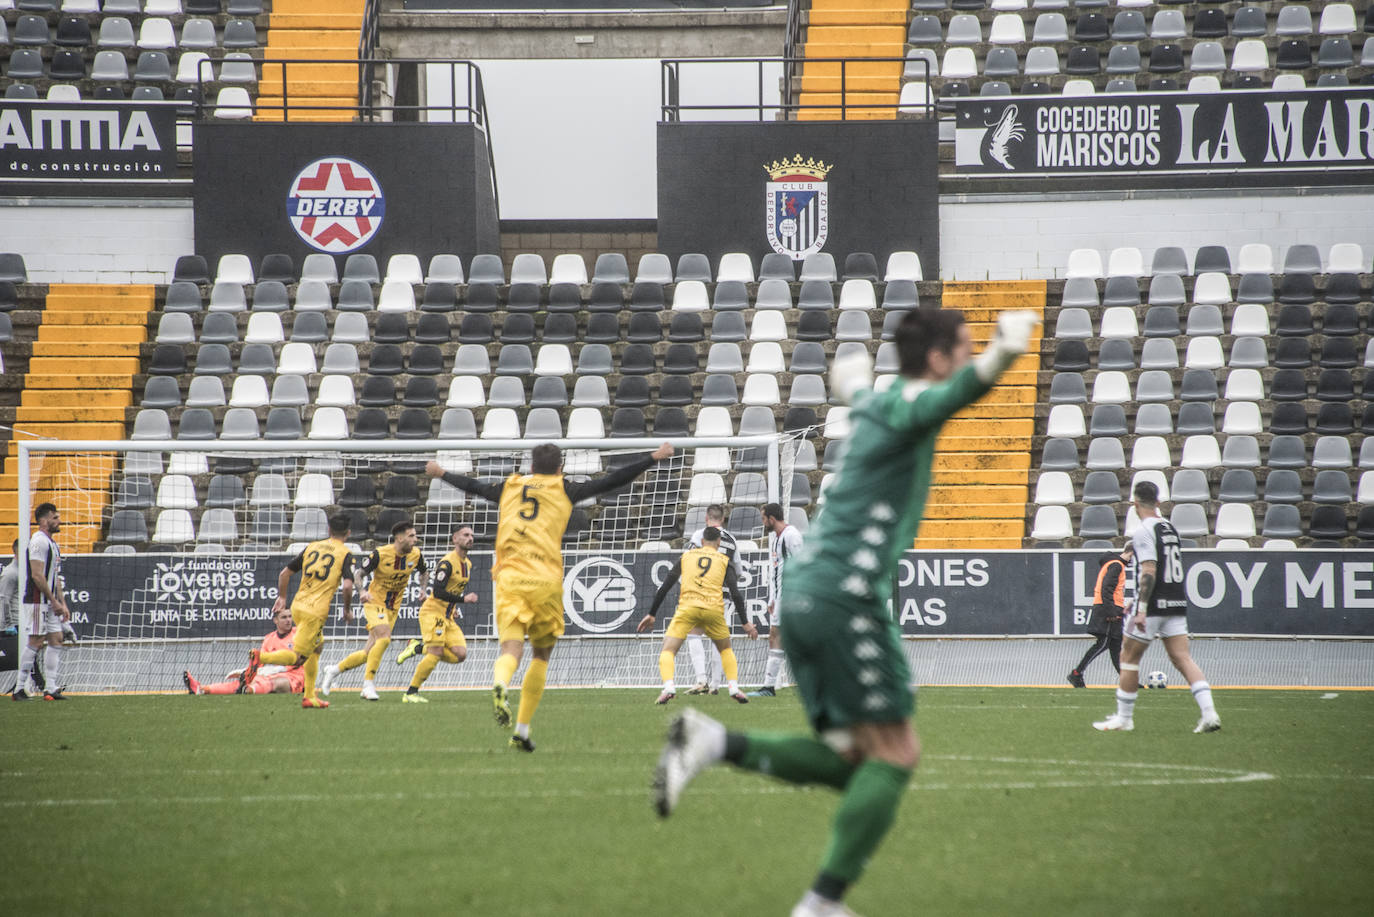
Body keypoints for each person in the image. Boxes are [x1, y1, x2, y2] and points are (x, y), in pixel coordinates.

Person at [653, 307, 1039, 917]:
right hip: (844, 596)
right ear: (938, 359)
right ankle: (821, 905)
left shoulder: (879, 406)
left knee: (853, 758)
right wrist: (1000, 358)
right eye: (963, 349)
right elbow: (935, 402)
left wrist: (853, 380)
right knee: (896, 752)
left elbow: (867, 396)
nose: (967, 357)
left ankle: (714, 742)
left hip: (811, 592)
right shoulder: (908, 407)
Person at [426, 440, 675, 752]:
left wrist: (441, 472)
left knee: (510, 649)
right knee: (541, 656)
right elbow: (613, 481)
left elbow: (473, 486)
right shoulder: (565, 488)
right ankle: (522, 729)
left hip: (508, 577)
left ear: (530, 467)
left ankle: (501, 683)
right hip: (545, 580)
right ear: (560, 469)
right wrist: (653, 457)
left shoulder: (511, 485)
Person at [1093, 481, 1221, 734]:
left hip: (1153, 605)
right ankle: (1209, 713)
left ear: (1134, 504)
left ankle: (1124, 718)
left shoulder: (1143, 531)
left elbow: (1149, 570)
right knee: (1183, 658)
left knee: (1128, 658)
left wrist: (1141, 607)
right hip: (1176, 600)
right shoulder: (1169, 527)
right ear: (1159, 503)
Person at [636, 525, 757, 704]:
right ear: (718, 542)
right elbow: (736, 593)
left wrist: (652, 613)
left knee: (668, 649)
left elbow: (666, 585)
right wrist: (745, 622)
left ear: (701, 542)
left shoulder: (686, 556)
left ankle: (669, 686)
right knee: (725, 649)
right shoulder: (725, 560)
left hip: (688, 608)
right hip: (713, 610)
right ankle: (733, 687)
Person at [249, 513, 355, 709]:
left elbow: (284, 573)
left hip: (298, 605)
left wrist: (282, 597)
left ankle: (309, 696)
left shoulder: (312, 546)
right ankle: (260, 657)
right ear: (348, 533)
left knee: (317, 646)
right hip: (316, 612)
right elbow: (348, 586)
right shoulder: (345, 553)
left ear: (329, 530)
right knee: (298, 658)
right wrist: (347, 610)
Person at [319, 519, 426, 701]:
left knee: (368, 653)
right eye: (411, 536)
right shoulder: (380, 554)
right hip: (374, 603)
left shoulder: (416, 555)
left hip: (393, 608)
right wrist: (362, 591)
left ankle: (334, 670)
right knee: (384, 639)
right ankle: (368, 685)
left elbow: (424, 571)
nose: (415, 539)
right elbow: (358, 573)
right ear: (399, 538)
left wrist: (423, 588)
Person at [394, 525, 480, 703]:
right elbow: (439, 592)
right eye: (465, 535)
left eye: (472, 535)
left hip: (447, 616)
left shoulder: (468, 564)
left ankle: (418, 647)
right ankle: (410, 693)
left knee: (460, 655)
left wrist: (454, 608)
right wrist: (464, 600)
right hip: (432, 613)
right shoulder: (447, 563)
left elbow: (452, 590)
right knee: (435, 652)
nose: (470, 538)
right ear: (455, 539)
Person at [13, 503, 70, 701]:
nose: (59, 521)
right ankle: (19, 688)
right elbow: (37, 576)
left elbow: (55, 577)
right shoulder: (38, 542)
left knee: (57, 639)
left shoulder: (52, 543)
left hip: (49, 601)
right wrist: (54, 601)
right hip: (38, 601)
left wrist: (62, 602)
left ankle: (50, 688)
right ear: (44, 521)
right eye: (55, 517)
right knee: (36, 641)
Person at [749, 501, 804, 697]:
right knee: (777, 635)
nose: (763, 523)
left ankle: (769, 686)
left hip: (791, 596)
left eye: (764, 519)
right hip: (780, 598)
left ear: (771, 519)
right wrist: (772, 599)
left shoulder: (792, 536)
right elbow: (776, 572)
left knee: (781, 636)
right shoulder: (777, 539)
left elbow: (802, 565)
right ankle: (769, 686)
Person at [683, 504, 740, 694]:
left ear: (707, 518)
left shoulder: (700, 535)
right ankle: (715, 684)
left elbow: (687, 562)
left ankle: (701, 679)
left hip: (700, 593)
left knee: (693, 634)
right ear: (722, 519)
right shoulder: (731, 540)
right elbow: (737, 570)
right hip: (722, 594)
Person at [183, 609, 304, 695]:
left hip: (294, 676)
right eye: (284, 617)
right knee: (243, 682)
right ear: (275, 620)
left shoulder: (299, 634)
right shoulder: (269, 638)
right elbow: (260, 664)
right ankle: (201, 689)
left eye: (289, 616)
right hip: (269, 674)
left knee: (276, 683)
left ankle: (249, 690)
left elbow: (299, 660)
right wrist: (247, 672)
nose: (288, 620)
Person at [1068, 544, 1132, 688]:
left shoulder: (1112, 563)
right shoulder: (1117, 566)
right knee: (1103, 644)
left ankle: (1127, 681)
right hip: (1109, 609)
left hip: (1110, 608)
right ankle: (1076, 673)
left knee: (1115, 646)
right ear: (1131, 553)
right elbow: (1107, 589)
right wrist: (1112, 613)